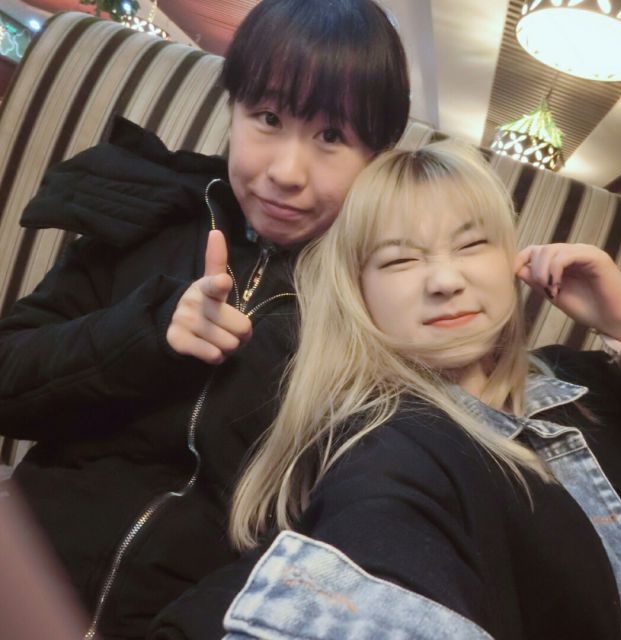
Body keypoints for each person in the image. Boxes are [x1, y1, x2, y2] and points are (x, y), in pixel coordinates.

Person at [0, 1, 410, 638]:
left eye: (332, 136)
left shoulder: (378, 297)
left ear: (377, 157)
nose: (286, 173)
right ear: (233, 109)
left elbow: (348, 519)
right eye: (268, 118)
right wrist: (146, 332)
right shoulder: (145, 214)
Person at [163, 142, 621, 639]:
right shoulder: (395, 450)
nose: (445, 280)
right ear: (359, 291)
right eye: (399, 261)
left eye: (472, 244)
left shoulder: (591, 378)